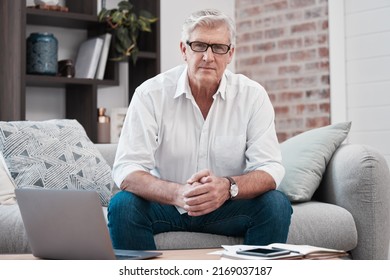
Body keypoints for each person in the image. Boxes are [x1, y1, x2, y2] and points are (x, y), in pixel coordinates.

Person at [108, 8, 292, 250]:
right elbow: (127, 169)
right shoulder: (150, 94)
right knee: (123, 205)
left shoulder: (252, 96)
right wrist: (177, 193)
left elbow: (270, 168)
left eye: (218, 48)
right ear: (184, 50)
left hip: (226, 208)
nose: (208, 56)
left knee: (276, 204)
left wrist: (227, 188)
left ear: (230, 54)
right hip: (168, 206)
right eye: (199, 46)